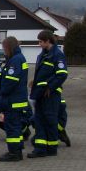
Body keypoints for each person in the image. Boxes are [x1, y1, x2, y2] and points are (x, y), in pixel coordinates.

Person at [28, 30, 68, 158]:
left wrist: (50, 86)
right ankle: (41, 148)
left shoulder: (57, 55)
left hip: (50, 94)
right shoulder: (43, 55)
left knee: (49, 120)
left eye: (40, 41)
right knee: (39, 120)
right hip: (40, 93)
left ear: (48, 41)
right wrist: (35, 81)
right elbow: (43, 73)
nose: (39, 44)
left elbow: (61, 74)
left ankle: (51, 147)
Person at [0, 36, 29, 162]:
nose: (4, 51)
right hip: (17, 99)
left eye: (4, 48)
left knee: (12, 127)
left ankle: (14, 152)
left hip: (12, 100)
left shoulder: (15, 60)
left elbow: (10, 82)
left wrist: (1, 93)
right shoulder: (18, 58)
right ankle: (17, 149)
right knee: (15, 126)